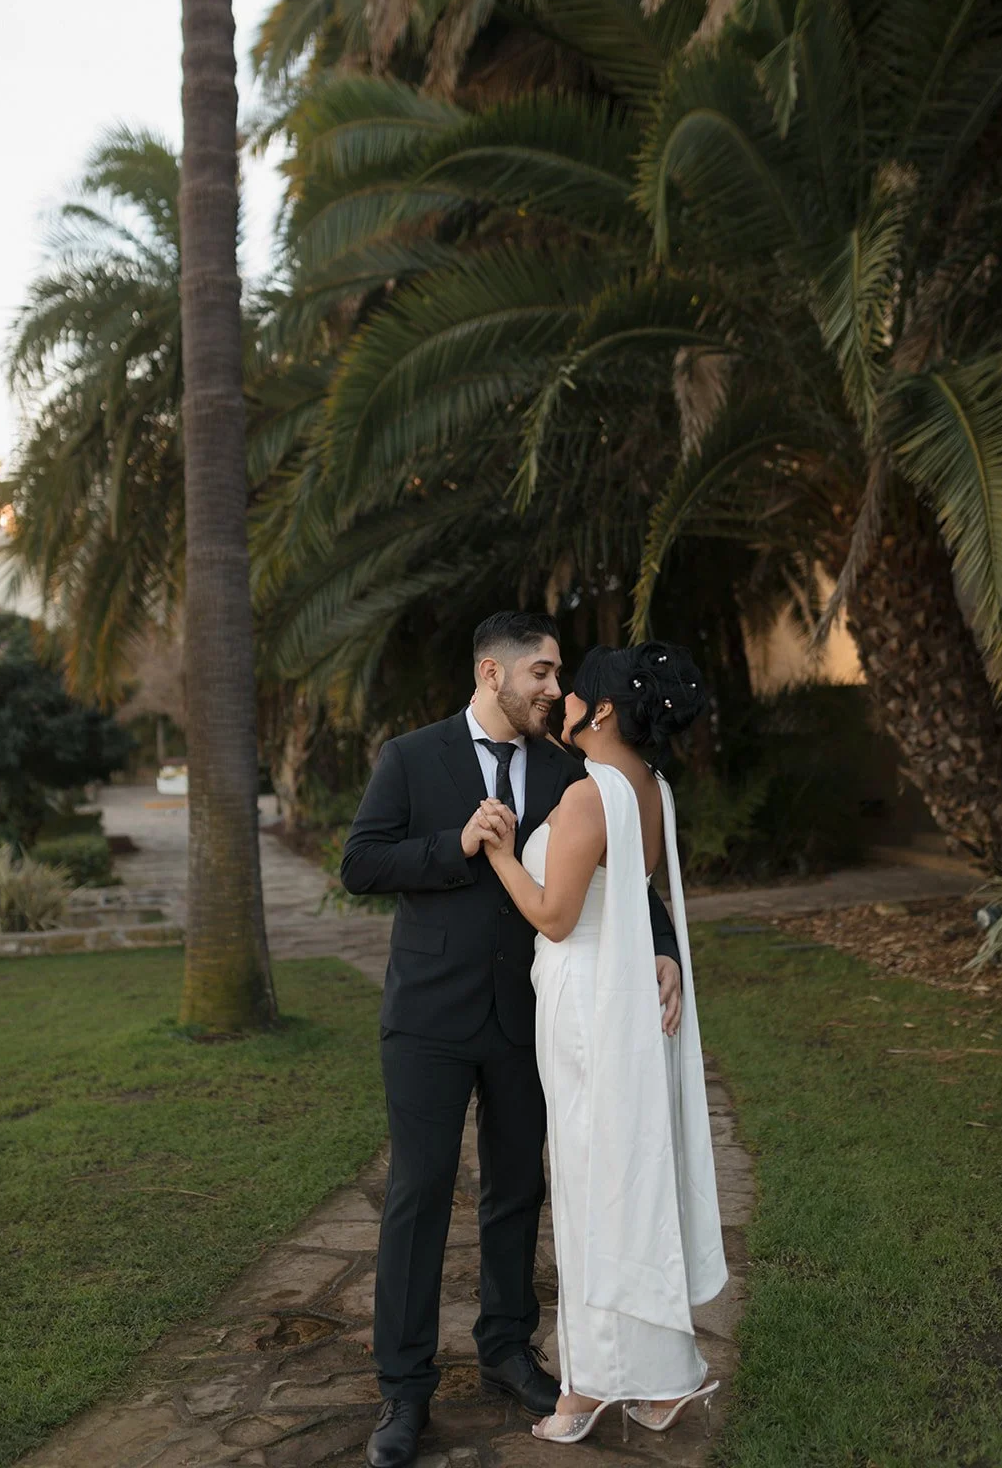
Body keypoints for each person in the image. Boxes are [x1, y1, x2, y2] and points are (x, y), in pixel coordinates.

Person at [340, 612, 684, 1468]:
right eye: (540, 672)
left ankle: (505, 1350)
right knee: (417, 1196)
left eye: (558, 673)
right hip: (426, 1018)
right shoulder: (411, 757)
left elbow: (614, 872)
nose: (552, 688)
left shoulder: (572, 769)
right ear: (490, 673)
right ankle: (404, 1390)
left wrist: (665, 947)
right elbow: (360, 862)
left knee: (515, 1193)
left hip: (531, 1019)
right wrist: (453, 846)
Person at [481, 641, 727, 1446]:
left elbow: (553, 915)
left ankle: (588, 1384)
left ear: (606, 709)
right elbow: (640, 890)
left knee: (593, 1186)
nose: (565, 701)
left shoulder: (591, 795)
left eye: (575, 690)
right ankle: (657, 1379)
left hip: (586, 1000)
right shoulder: (651, 787)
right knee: (627, 1177)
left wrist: (496, 852)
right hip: (614, 993)